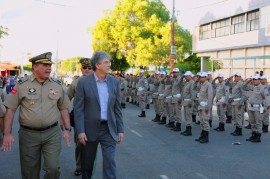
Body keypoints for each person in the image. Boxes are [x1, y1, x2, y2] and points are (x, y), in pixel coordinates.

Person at [1, 52, 71, 179]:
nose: (49, 68)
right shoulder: (22, 85)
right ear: (35, 67)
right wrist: (7, 133)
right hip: (28, 135)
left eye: (50, 65)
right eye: (45, 65)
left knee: (53, 169)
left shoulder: (57, 85)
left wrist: (67, 129)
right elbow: (10, 109)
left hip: (52, 133)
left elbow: (63, 108)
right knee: (30, 172)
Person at [74, 51, 124, 179]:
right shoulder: (84, 83)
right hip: (89, 130)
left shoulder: (114, 83)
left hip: (109, 129)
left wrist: (120, 129)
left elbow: (117, 108)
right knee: (87, 164)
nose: (109, 64)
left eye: (109, 62)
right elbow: (78, 109)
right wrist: (80, 131)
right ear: (97, 65)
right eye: (106, 62)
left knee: (110, 162)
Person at [67, 57, 93, 176]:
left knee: (92, 144)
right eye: (85, 68)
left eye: (89, 68)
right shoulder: (75, 82)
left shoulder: (98, 81)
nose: (87, 70)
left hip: (94, 119)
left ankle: (88, 166)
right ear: (81, 69)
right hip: (79, 118)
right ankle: (79, 166)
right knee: (79, 144)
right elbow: (67, 98)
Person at [243, 75, 270, 142]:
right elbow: (243, 87)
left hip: (258, 108)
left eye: (256, 79)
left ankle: (258, 137)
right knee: (252, 122)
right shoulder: (252, 87)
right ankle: (253, 135)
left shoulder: (263, 88)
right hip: (251, 108)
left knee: (258, 123)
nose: (254, 80)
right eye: (253, 79)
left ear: (259, 80)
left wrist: (265, 107)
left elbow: (267, 98)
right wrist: (248, 81)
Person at [195, 72, 213, 143]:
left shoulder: (208, 85)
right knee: (202, 121)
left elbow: (210, 96)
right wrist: (196, 81)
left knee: (205, 121)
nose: (200, 78)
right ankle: (202, 135)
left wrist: (207, 107)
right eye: (200, 77)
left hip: (205, 106)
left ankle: (206, 137)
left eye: (202, 77)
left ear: (205, 77)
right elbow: (194, 88)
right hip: (200, 106)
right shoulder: (201, 84)